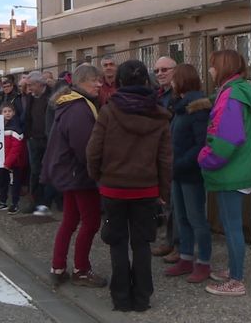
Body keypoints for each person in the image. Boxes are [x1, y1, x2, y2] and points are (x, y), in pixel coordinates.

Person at [86, 60, 172, 312]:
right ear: (146, 81)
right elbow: (166, 159)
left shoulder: (109, 111)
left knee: (117, 242)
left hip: (113, 188)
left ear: (120, 83)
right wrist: (164, 192)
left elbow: (93, 151)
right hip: (146, 189)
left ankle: (121, 297)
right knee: (142, 243)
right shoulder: (159, 114)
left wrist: (97, 177)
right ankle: (142, 297)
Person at [198, 50, 251, 296]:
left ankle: (236, 280)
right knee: (233, 226)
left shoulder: (231, 96)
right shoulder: (243, 92)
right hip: (240, 168)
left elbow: (226, 139)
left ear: (222, 67)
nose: (210, 70)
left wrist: (204, 158)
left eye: (212, 65)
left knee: (232, 228)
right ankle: (233, 269)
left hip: (230, 171)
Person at [41, 64, 107, 289]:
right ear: (82, 82)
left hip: (68, 171)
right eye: (95, 80)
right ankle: (81, 269)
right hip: (78, 173)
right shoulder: (79, 108)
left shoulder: (70, 103)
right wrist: (97, 171)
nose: (100, 84)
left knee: (70, 220)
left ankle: (58, 267)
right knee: (90, 221)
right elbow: (84, 148)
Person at [163, 64, 213, 283]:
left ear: (182, 80)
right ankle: (185, 257)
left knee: (196, 219)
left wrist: (180, 163)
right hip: (178, 172)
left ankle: (203, 262)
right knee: (181, 217)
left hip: (190, 172)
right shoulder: (181, 106)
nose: (170, 82)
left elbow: (200, 143)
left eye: (174, 78)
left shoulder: (197, 108)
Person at [151, 56, 180, 263]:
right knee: (167, 203)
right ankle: (169, 241)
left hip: (175, 153)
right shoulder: (157, 94)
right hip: (160, 153)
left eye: (164, 70)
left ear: (175, 71)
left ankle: (178, 245)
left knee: (177, 205)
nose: (160, 73)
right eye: (157, 70)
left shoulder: (178, 95)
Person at [0, 102, 27, 214]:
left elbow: (16, 148)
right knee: (3, 182)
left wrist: (8, 162)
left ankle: (15, 204)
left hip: (14, 163)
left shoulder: (16, 127)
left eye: (9, 111)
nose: (7, 113)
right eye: (5, 111)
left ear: (14, 113)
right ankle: (2, 202)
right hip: (2, 162)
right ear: (1, 113)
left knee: (15, 184)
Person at [24, 71, 52, 214]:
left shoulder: (52, 96)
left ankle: (47, 202)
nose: (29, 89)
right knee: (35, 172)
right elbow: (27, 118)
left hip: (48, 140)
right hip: (34, 140)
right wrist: (28, 135)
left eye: (31, 85)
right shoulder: (31, 98)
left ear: (39, 84)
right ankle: (35, 201)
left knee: (48, 171)